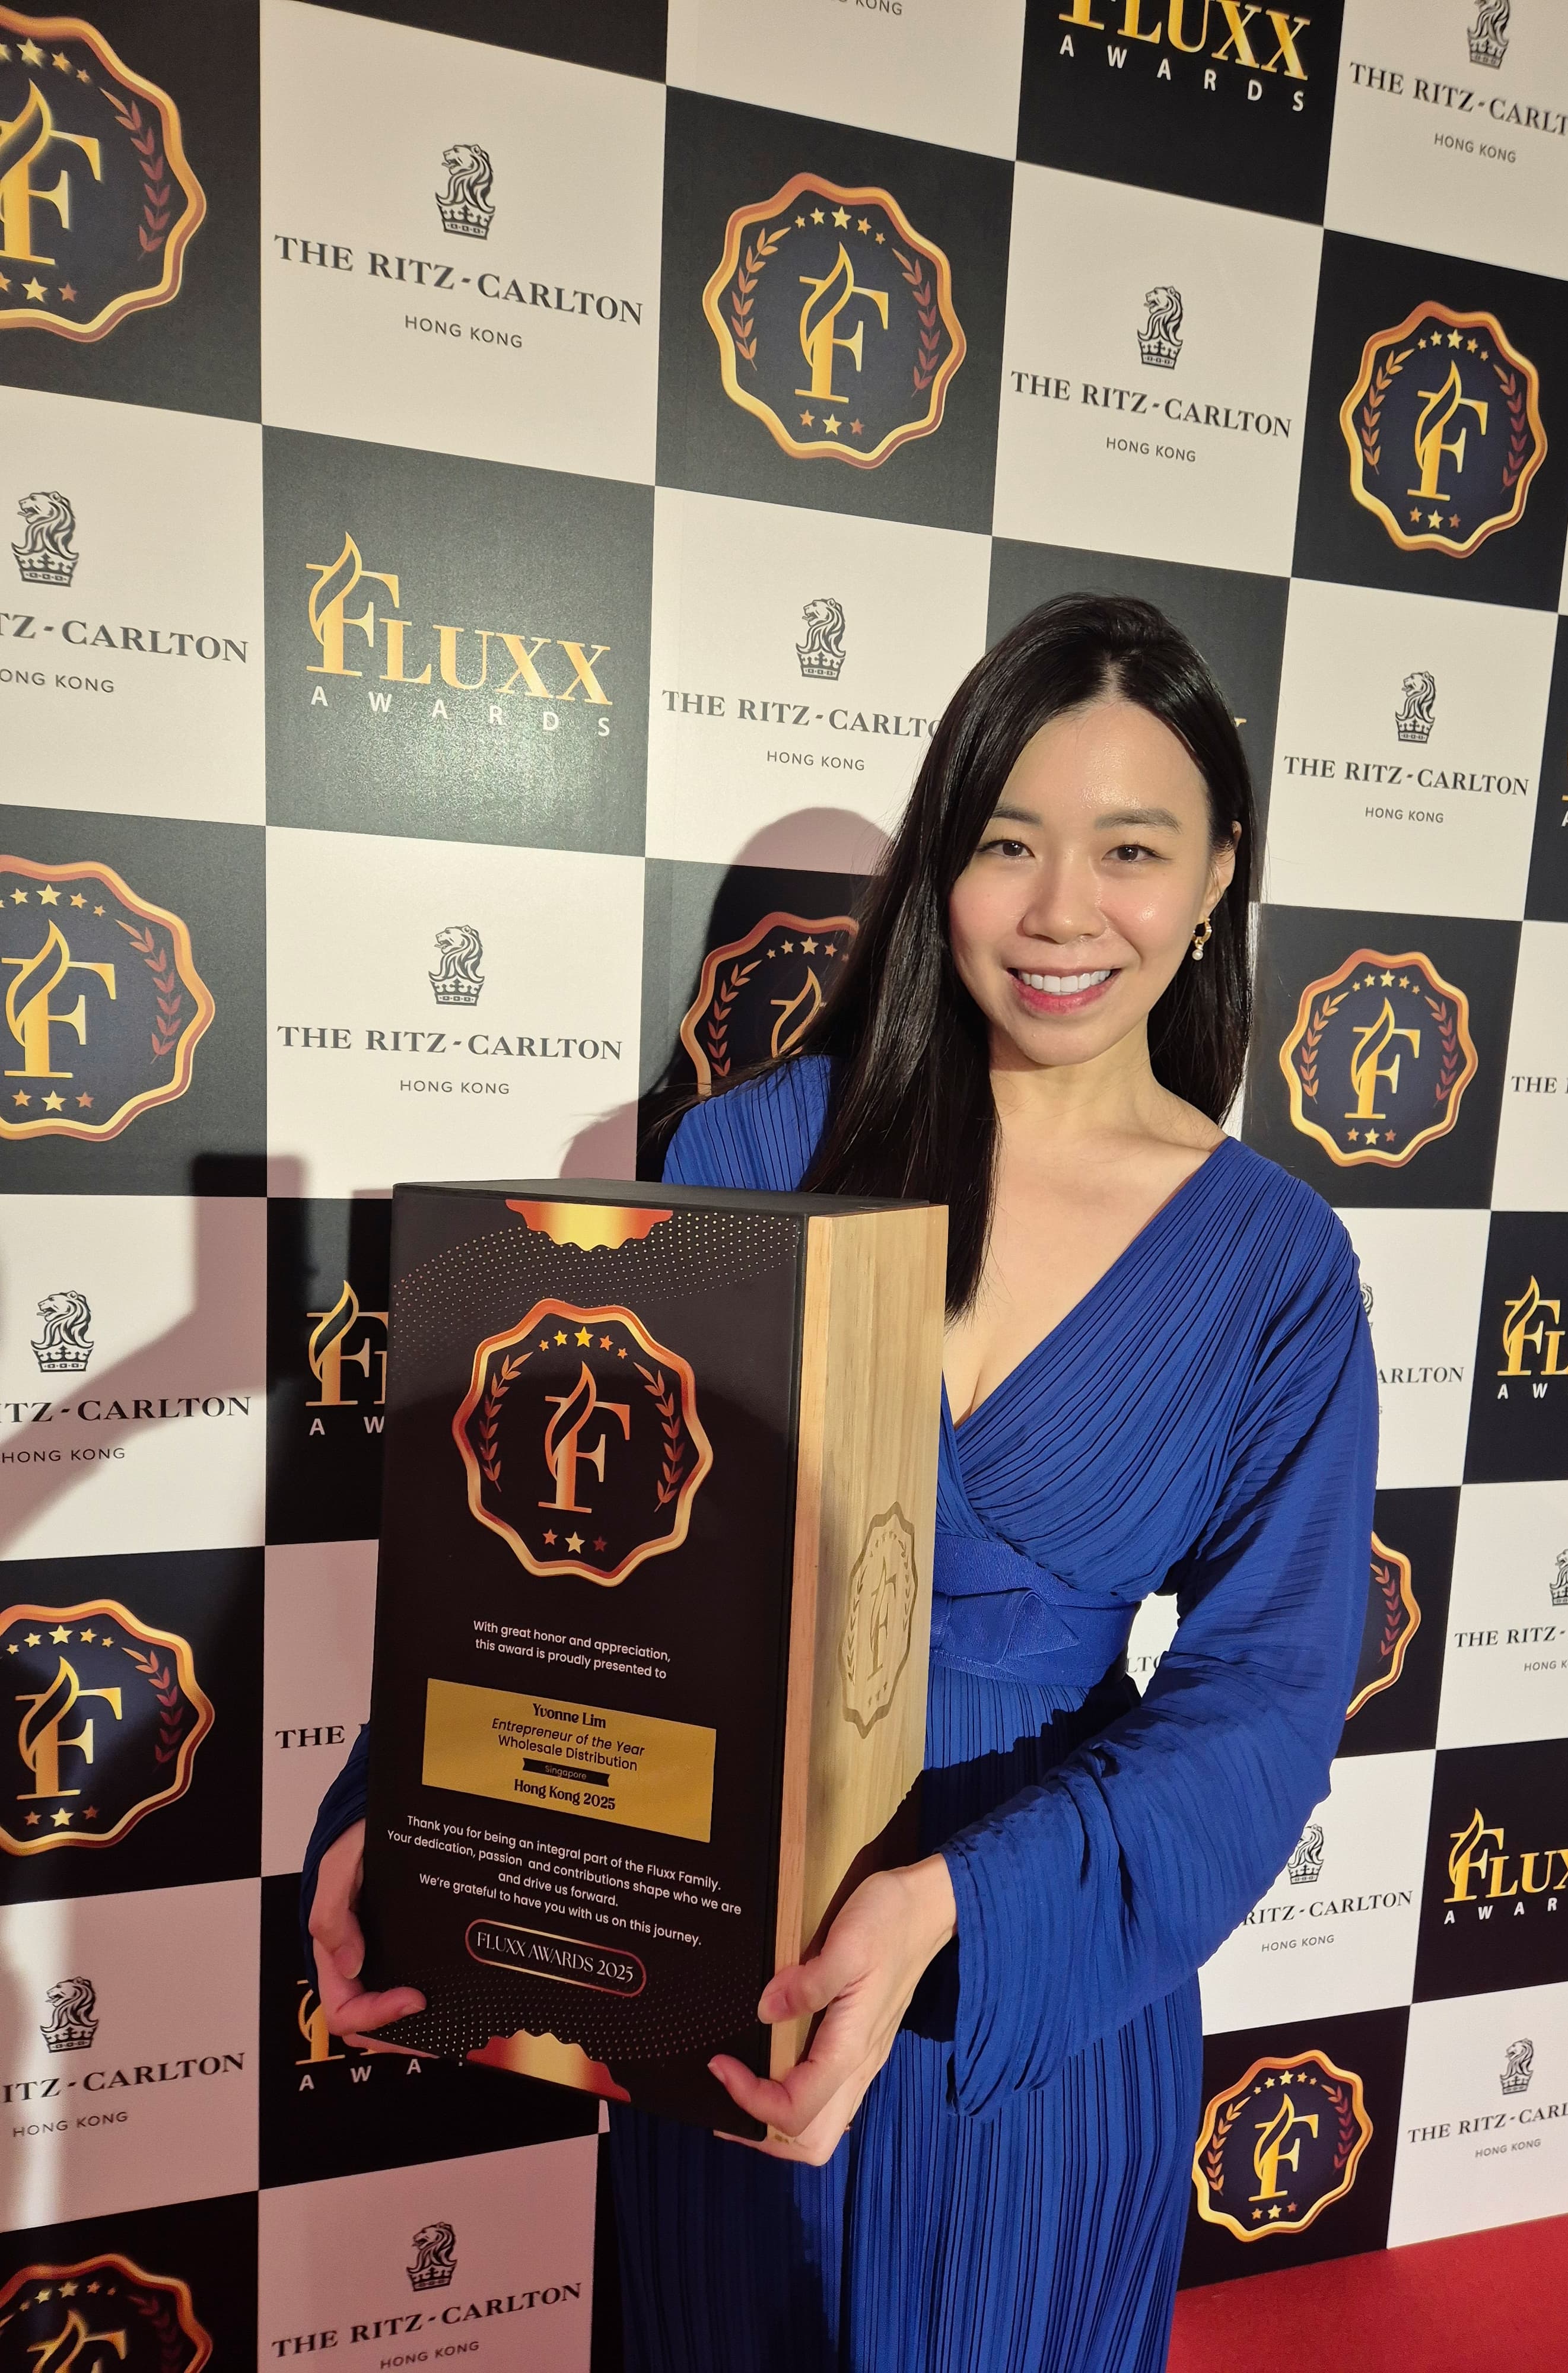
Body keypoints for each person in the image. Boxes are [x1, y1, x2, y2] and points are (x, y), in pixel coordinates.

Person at [304, 593, 1376, 2372]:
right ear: (940, 863)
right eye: (1006, 842)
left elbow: (1264, 1695)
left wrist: (959, 1899)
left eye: (1130, 849)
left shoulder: (1272, 1264)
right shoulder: (746, 1154)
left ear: (1215, 879)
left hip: (1020, 2022)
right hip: (724, 1976)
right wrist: (395, 1817)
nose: (1059, 912)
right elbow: (565, 1572)